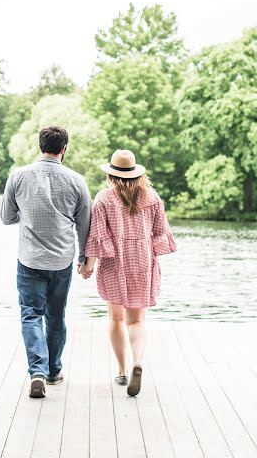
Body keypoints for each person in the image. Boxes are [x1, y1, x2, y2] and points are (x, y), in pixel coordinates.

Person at [1, 126, 91, 398]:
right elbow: (85, 225)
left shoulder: (18, 177)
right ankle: (53, 371)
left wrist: (27, 216)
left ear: (40, 145)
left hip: (29, 259)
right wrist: (84, 258)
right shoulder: (77, 181)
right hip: (62, 261)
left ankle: (37, 372)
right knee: (55, 315)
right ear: (64, 149)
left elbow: (7, 217)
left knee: (31, 314)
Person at [79, 149, 177, 396]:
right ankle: (138, 362)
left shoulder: (103, 198)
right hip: (143, 262)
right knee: (137, 320)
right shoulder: (152, 197)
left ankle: (122, 371)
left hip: (114, 263)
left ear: (111, 175)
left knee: (117, 318)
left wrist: (87, 266)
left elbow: (99, 238)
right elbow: (160, 235)